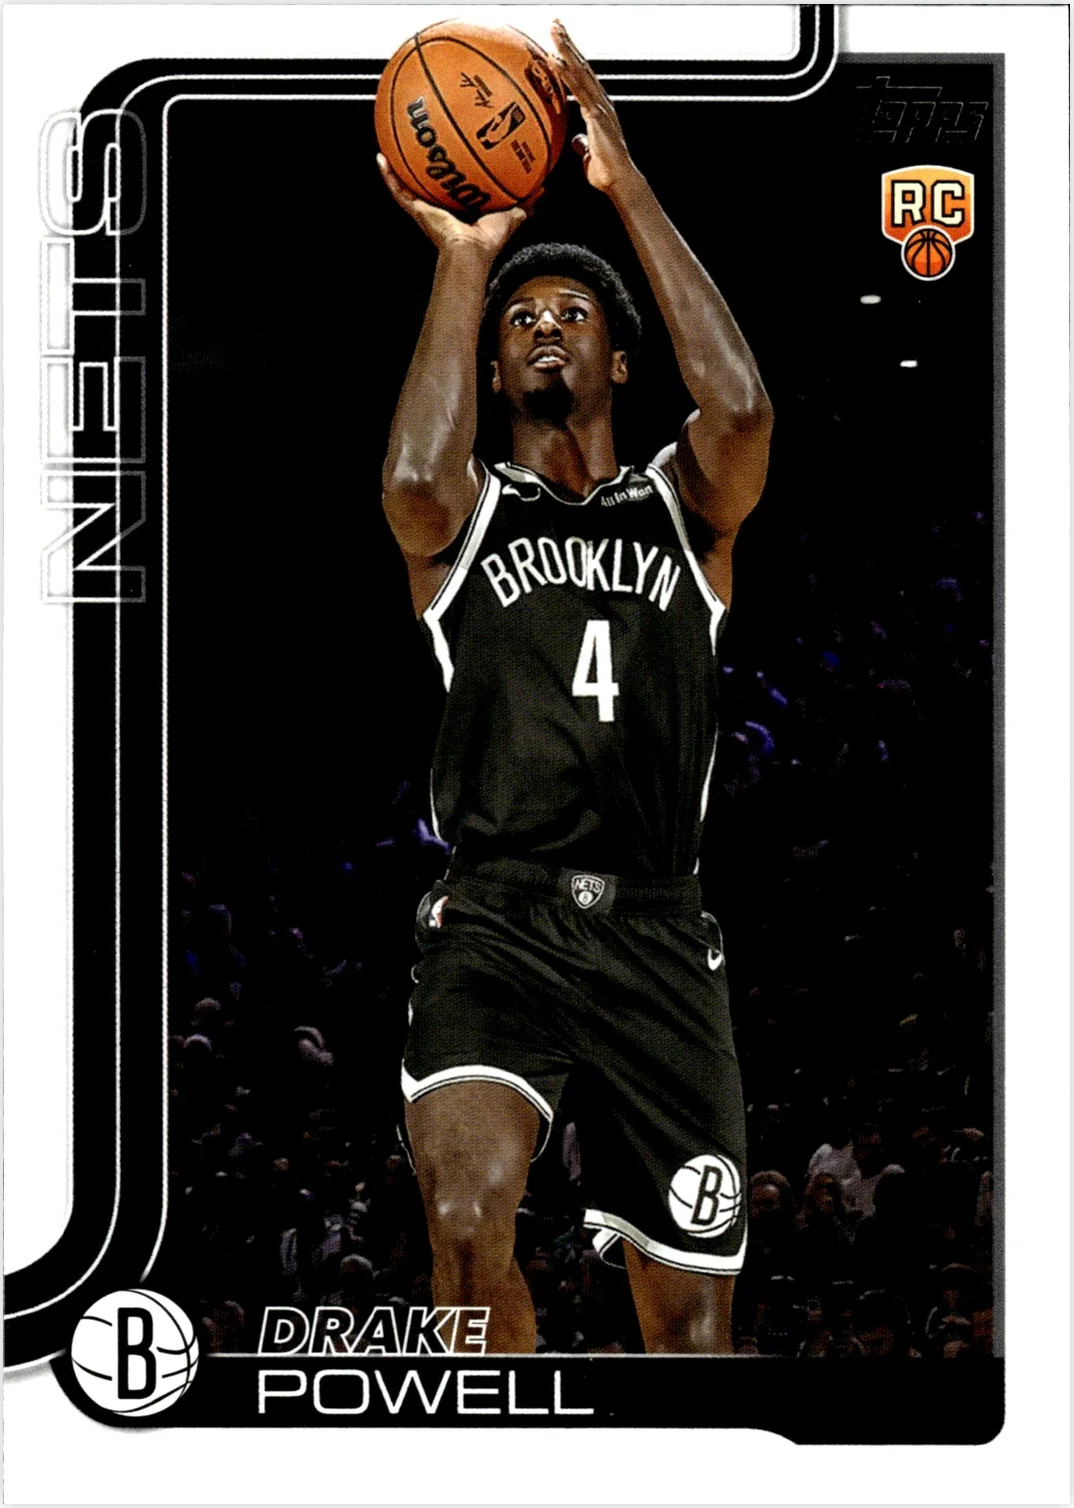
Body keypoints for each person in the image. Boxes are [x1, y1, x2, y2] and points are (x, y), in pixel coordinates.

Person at [378, 21, 772, 1354]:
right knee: (465, 1221)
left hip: (658, 931)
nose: (547, 327)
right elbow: (411, 482)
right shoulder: (468, 520)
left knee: (693, 1331)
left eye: (573, 317)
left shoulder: (685, 507)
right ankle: (511, 1447)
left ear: (618, 362)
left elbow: (743, 413)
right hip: (497, 921)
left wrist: (625, 185)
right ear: (492, 371)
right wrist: (466, 256)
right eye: (522, 323)